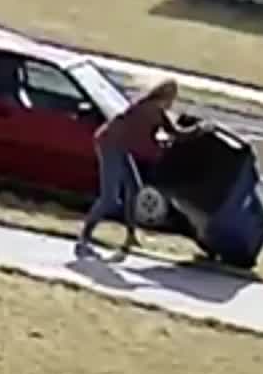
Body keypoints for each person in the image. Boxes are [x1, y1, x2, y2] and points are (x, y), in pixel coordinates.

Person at [76, 79, 202, 256]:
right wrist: (200, 129)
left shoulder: (153, 109)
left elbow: (169, 133)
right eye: (172, 97)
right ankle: (83, 238)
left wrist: (182, 135)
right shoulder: (151, 111)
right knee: (110, 199)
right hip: (110, 145)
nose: (172, 101)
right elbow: (166, 137)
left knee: (133, 189)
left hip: (121, 145)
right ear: (166, 96)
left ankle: (130, 237)